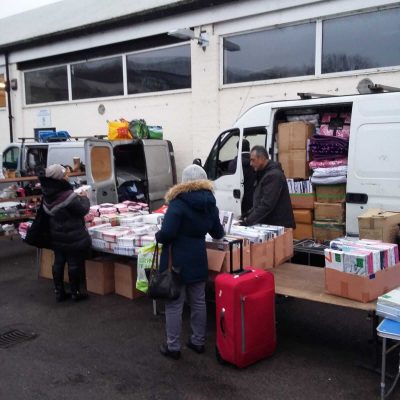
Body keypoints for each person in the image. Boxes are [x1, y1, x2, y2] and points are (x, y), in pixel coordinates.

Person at [155, 164, 224, 360]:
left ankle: (173, 346)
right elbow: (218, 233)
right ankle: (198, 341)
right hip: (198, 258)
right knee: (199, 301)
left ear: (184, 182)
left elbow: (167, 233)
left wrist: (159, 235)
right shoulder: (210, 204)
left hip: (176, 260)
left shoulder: (178, 203)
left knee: (175, 304)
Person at [39, 164, 91, 302]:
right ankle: (75, 292)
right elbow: (82, 210)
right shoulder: (67, 196)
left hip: (56, 234)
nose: (68, 176)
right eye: (65, 175)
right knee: (74, 263)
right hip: (72, 234)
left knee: (59, 262)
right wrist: (85, 197)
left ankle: (59, 292)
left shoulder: (47, 193)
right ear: (59, 178)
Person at [241, 145, 295, 228]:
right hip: (272, 224)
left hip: (279, 225)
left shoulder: (274, 175)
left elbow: (266, 204)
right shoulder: (263, 173)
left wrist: (247, 222)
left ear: (262, 158)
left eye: (253, 160)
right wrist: (246, 215)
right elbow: (259, 202)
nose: (251, 164)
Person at [228, 138, 255, 215]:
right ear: (249, 147)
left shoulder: (233, 164)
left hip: (239, 201)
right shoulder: (255, 161)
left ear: (238, 148)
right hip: (254, 201)